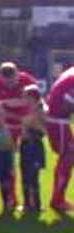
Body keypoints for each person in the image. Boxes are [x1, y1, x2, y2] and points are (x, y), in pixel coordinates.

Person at [0, 62, 37, 207]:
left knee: (29, 162)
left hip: (27, 126)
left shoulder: (27, 80)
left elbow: (35, 102)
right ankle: (12, 198)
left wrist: (8, 103)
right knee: (8, 165)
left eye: (12, 81)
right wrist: (16, 105)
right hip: (7, 127)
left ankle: (31, 199)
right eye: (6, 82)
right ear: (0, 78)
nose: (9, 85)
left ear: (17, 74)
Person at [45, 65, 74, 212]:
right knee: (67, 157)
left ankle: (58, 198)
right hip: (58, 122)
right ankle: (57, 199)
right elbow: (66, 106)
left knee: (67, 157)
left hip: (57, 121)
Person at [19, 86, 47, 213]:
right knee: (27, 175)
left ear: (32, 97)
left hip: (33, 146)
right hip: (27, 146)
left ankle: (33, 204)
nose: (23, 99)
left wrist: (27, 126)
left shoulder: (41, 111)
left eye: (25, 96)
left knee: (31, 175)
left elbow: (41, 131)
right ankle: (29, 204)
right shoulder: (30, 111)